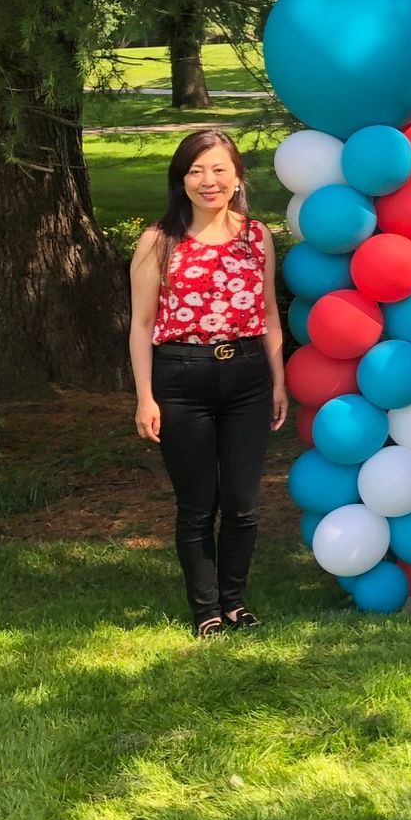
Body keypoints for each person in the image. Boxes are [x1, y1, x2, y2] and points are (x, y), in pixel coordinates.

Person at [129, 129, 287, 638]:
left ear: (237, 177)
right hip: (181, 379)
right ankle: (207, 612)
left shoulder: (256, 236)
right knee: (198, 506)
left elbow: (269, 313)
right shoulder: (159, 241)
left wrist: (278, 382)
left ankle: (234, 602)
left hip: (248, 377)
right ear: (181, 180)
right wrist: (145, 397)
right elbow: (141, 325)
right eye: (196, 171)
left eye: (219, 169)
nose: (208, 180)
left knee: (243, 504)